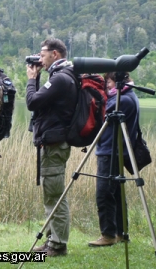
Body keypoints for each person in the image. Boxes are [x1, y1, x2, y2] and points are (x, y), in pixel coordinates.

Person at [26, 38, 78, 257]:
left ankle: (58, 245)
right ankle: (52, 240)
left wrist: (31, 79)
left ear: (55, 54)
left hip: (55, 145)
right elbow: (40, 103)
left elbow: (32, 102)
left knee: (55, 195)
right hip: (53, 142)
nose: (40, 58)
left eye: (42, 54)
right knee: (51, 193)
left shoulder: (60, 79)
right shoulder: (63, 76)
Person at [88, 72, 139, 247]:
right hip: (115, 150)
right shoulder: (129, 96)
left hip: (110, 151)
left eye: (108, 82)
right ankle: (121, 233)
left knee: (104, 192)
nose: (107, 86)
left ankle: (108, 234)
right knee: (117, 192)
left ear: (117, 81)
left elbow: (102, 115)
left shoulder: (122, 100)